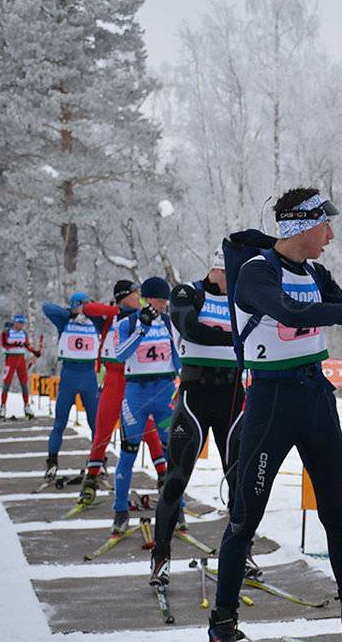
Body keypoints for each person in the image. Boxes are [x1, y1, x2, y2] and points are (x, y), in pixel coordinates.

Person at [205, 188, 342, 642]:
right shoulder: (255, 273)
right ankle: (222, 626)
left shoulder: (315, 273)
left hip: (315, 397)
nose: (331, 235)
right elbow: (290, 312)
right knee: (245, 518)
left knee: (336, 513)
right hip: (272, 403)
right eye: (324, 226)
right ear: (299, 227)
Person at [149, 249, 247, 587]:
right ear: (216, 268)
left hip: (233, 396)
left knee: (239, 480)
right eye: (228, 274)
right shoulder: (189, 292)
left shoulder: (241, 298)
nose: (232, 281)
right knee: (176, 479)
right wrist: (235, 339)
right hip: (195, 394)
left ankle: (241, 555)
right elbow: (191, 329)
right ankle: (161, 556)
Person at [76, 281, 167, 503]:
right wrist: (117, 309)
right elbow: (87, 309)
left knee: (149, 431)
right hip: (113, 380)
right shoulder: (111, 316)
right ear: (123, 296)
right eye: (134, 294)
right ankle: (90, 481)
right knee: (103, 430)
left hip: (134, 381)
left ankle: (163, 476)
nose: (139, 297)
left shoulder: (141, 316)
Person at [108, 276, 178, 534]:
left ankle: (176, 510)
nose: (162, 306)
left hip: (164, 394)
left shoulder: (170, 323)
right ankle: (120, 511)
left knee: (174, 454)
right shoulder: (127, 322)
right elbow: (120, 354)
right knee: (128, 453)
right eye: (158, 301)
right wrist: (142, 328)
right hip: (136, 395)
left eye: (165, 302)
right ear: (146, 300)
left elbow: (178, 354)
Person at [40, 293, 104, 478]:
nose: (86, 309)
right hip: (69, 376)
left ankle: (98, 462)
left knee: (96, 424)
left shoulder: (96, 322)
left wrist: (93, 309)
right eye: (83, 305)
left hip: (89, 377)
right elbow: (46, 307)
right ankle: (52, 463)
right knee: (60, 422)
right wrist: (71, 313)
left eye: (88, 305)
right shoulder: (65, 320)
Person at [0, 314, 40, 420]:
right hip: (10, 359)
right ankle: (3, 407)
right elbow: (4, 345)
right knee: (7, 383)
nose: (21, 326)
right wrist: (16, 345)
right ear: (15, 323)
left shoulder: (23, 333)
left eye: (22, 323)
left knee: (24, 383)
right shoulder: (6, 332)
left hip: (21, 359)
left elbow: (26, 345)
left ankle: (27, 407)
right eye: (19, 323)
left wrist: (35, 351)